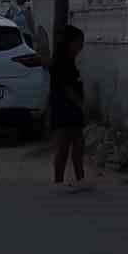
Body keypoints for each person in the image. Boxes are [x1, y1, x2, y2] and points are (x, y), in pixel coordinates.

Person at [49, 25, 87, 189]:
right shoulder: (61, 62)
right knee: (64, 145)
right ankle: (59, 180)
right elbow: (66, 87)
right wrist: (80, 104)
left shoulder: (68, 61)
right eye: (78, 43)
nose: (81, 47)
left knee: (77, 144)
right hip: (64, 106)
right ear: (69, 43)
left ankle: (80, 179)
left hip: (71, 107)